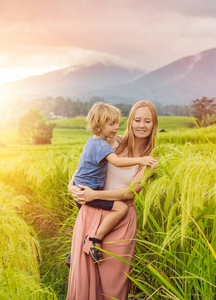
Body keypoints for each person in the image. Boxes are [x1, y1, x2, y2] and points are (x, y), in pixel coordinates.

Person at [66, 100, 159, 300]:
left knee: (112, 286)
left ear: (154, 124)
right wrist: (70, 186)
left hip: (119, 220)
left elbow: (131, 192)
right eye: (137, 120)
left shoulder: (151, 158)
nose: (141, 125)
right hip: (90, 215)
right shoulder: (112, 140)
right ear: (130, 121)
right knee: (85, 281)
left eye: (147, 121)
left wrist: (94, 195)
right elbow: (84, 166)